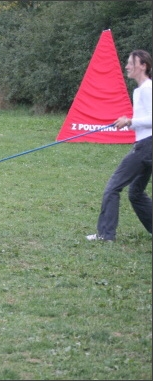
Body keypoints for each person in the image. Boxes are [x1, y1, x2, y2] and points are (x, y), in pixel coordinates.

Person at [87, 49, 152, 242]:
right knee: (136, 193)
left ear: (143, 65)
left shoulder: (148, 88)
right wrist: (130, 121)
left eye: (131, 63)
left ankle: (105, 235)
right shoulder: (141, 90)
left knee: (112, 187)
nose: (127, 66)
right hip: (147, 145)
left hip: (146, 146)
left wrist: (130, 121)